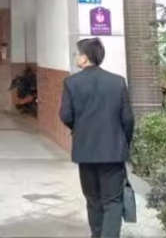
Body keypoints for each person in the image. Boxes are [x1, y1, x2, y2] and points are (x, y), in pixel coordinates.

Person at [59, 38, 135, 238]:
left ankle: (97, 234)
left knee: (93, 200)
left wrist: (81, 130)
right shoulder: (117, 82)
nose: (76, 57)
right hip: (113, 152)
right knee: (112, 201)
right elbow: (128, 119)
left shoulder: (71, 83)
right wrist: (124, 142)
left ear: (85, 58)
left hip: (85, 151)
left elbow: (65, 115)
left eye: (77, 54)